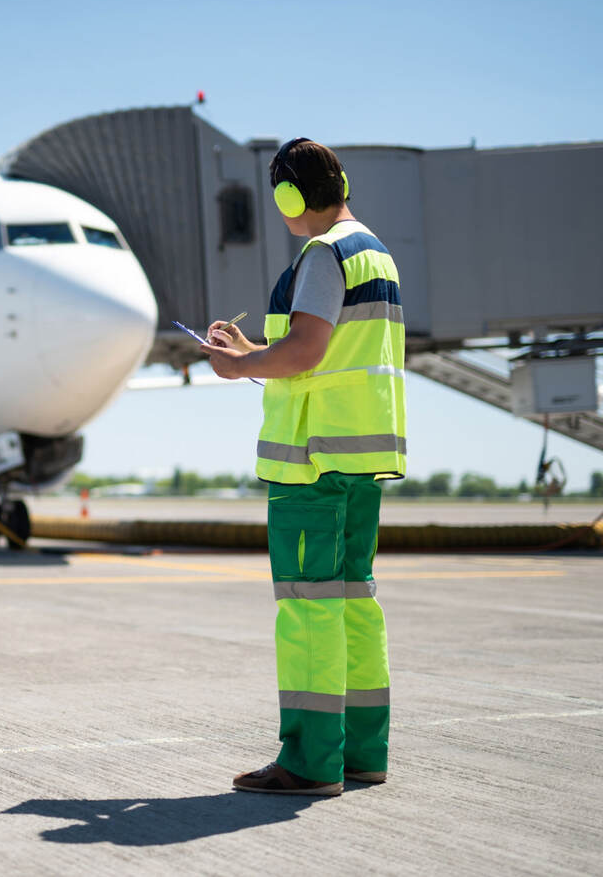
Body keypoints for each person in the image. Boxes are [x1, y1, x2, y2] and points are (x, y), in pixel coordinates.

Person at [202, 138, 407, 796]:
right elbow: (323, 355)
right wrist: (257, 350)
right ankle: (360, 755)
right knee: (354, 606)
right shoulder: (373, 251)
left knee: (308, 610)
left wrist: (237, 367)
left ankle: (311, 762)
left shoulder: (323, 255)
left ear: (290, 197)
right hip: (359, 458)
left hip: (311, 468)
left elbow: (308, 352)